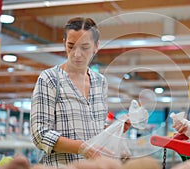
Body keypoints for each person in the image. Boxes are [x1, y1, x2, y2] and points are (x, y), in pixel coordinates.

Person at [30, 16, 130, 167]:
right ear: (64, 43)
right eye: (71, 46)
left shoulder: (100, 82)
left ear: (96, 46)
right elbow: (40, 135)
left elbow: (96, 132)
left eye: (84, 47)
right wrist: (83, 148)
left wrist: (116, 129)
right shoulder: (49, 79)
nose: (77, 54)